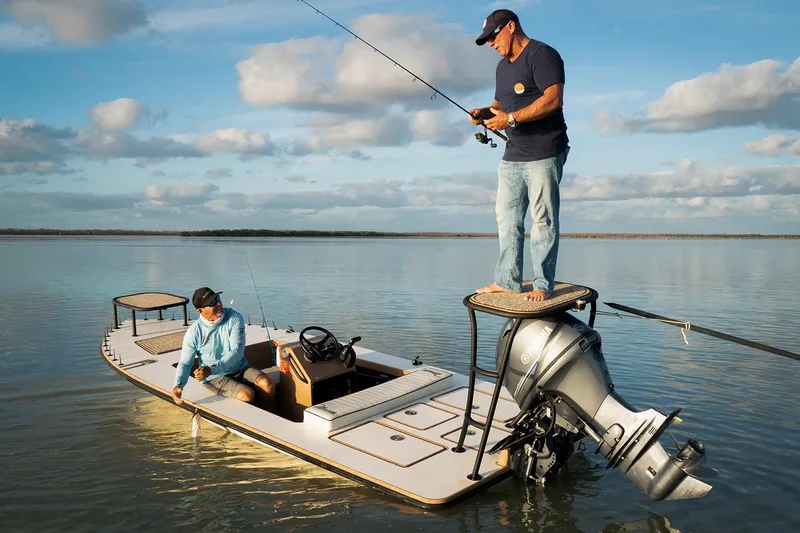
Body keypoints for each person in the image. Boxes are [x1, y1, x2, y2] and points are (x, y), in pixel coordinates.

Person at [470, 9, 570, 302]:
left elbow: (553, 100)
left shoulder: (543, 55)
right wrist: (483, 113)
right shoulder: (502, 67)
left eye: (493, 36)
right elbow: (500, 105)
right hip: (513, 154)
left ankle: (542, 284)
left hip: (545, 150)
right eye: (486, 39)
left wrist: (510, 120)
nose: (490, 43)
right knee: (507, 218)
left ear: (510, 27)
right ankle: (507, 281)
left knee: (543, 220)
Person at [171, 286, 275, 408]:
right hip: (214, 377)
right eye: (212, 303)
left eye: (218, 298)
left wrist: (211, 368)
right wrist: (178, 385)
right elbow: (185, 363)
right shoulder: (193, 332)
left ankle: (263, 416)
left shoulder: (235, 317)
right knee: (247, 394)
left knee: (268, 384)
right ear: (200, 311)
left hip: (238, 368)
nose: (219, 303)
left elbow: (237, 352)